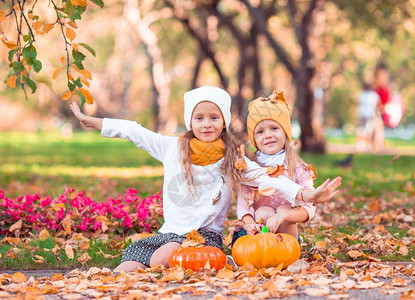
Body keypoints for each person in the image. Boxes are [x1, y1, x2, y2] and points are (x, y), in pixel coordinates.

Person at [70, 86, 341, 273]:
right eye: (199, 118)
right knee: (125, 269)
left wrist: (307, 196)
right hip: (167, 235)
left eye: (214, 117)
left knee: (164, 258)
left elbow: (267, 178)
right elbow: (134, 131)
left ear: (223, 121)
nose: (207, 124)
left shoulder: (233, 157)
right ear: (190, 121)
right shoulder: (172, 148)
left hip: (203, 239)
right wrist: (92, 121)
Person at [232, 90, 341, 244]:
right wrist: (250, 224)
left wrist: (283, 216)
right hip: (254, 234)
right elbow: (243, 206)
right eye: (260, 131)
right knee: (264, 211)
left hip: (285, 234)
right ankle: (265, 251)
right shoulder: (250, 167)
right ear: (254, 139)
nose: (268, 135)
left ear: (286, 132)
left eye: (274, 128)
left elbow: (308, 208)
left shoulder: (298, 167)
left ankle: (284, 250)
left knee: (284, 210)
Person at [356, 82, 380, 152]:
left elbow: (358, 104)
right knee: (369, 131)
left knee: (361, 130)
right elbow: (377, 106)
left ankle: (360, 145)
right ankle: (367, 145)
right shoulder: (374, 95)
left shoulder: (361, 94)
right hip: (370, 115)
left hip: (362, 114)